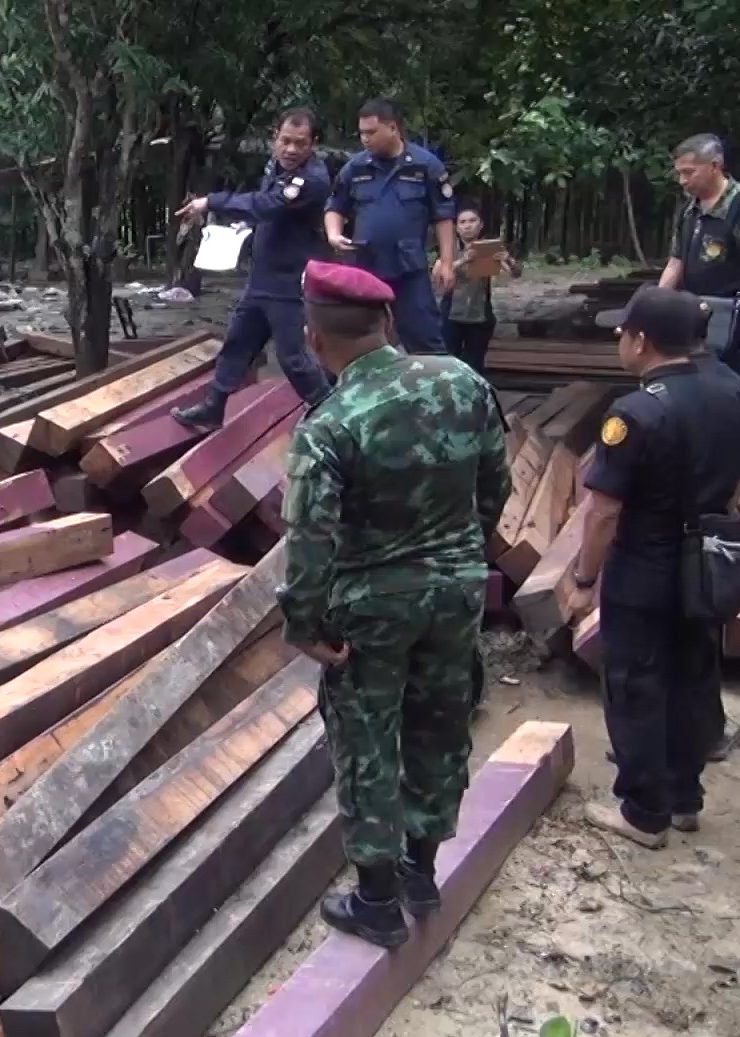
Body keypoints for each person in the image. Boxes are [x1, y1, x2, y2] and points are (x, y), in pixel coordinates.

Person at [281, 260, 510, 948]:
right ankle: (422, 871)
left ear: (313, 340)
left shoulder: (329, 426)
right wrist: (463, 557)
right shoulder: (462, 381)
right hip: (456, 593)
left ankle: (376, 901)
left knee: (368, 740)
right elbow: (494, 487)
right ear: (387, 322)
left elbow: (310, 537)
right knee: (441, 727)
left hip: (373, 605)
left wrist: (305, 624)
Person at [566, 286, 740, 849]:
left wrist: (581, 580)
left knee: (635, 684)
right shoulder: (733, 389)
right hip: (708, 562)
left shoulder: (637, 412)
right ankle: (684, 799)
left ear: (641, 341)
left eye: (623, 335)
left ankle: (644, 814)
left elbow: (603, 512)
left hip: (646, 567)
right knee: (693, 676)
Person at [170, 108, 334, 429]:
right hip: (262, 278)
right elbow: (266, 205)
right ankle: (213, 406)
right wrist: (245, 224)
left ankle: (333, 417)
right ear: (275, 137)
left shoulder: (311, 180)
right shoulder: (277, 166)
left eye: (300, 143)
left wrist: (211, 202)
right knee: (237, 344)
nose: (290, 149)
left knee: (293, 359)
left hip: (289, 283)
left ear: (312, 144)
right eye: (285, 140)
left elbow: (268, 205)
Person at [656, 134, 740, 494]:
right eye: (679, 174)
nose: (684, 181)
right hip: (701, 313)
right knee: (705, 392)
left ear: (714, 166)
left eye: (689, 172)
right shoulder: (688, 209)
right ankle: (717, 469)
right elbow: (676, 261)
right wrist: (653, 302)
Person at [324, 97, 457, 355]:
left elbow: (443, 215)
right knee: (355, 340)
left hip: (408, 270)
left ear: (393, 128)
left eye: (371, 132)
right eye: (362, 133)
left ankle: (436, 391)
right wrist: (333, 233)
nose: (365, 139)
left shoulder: (425, 166)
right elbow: (335, 205)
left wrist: (447, 260)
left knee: (426, 342)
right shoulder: (356, 167)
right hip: (363, 267)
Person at [442, 205, 522, 375]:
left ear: (481, 225)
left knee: (475, 363)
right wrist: (463, 260)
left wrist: (508, 259)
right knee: (449, 363)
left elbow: (515, 274)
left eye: (472, 221)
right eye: (462, 222)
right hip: (451, 313)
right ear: (456, 227)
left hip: (480, 313)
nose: (467, 225)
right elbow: (438, 276)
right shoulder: (449, 250)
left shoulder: (488, 248)